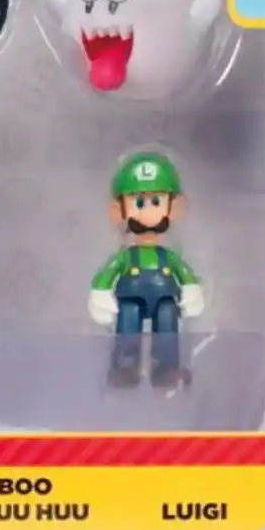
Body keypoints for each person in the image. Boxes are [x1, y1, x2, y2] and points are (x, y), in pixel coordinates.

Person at [88, 152, 204, 386]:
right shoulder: (125, 257)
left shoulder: (169, 257)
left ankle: (167, 368)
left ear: (174, 208)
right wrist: (100, 293)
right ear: (119, 210)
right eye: (139, 203)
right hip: (130, 299)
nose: (148, 212)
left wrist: (191, 289)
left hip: (165, 299)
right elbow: (108, 273)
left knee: (168, 322)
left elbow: (184, 273)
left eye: (156, 202)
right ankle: (125, 367)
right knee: (128, 323)